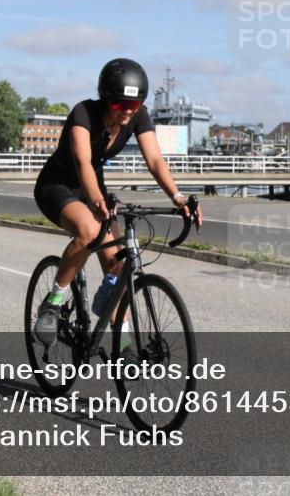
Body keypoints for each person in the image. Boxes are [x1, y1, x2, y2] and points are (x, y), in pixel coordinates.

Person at [32, 58, 202, 347]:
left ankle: (122, 348)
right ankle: (54, 301)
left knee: (119, 266)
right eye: (121, 105)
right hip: (58, 186)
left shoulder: (139, 116)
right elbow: (83, 162)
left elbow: (155, 161)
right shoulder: (83, 113)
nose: (128, 112)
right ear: (106, 98)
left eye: (134, 106)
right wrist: (97, 199)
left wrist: (179, 197)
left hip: (95, 191)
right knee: (87, 232)